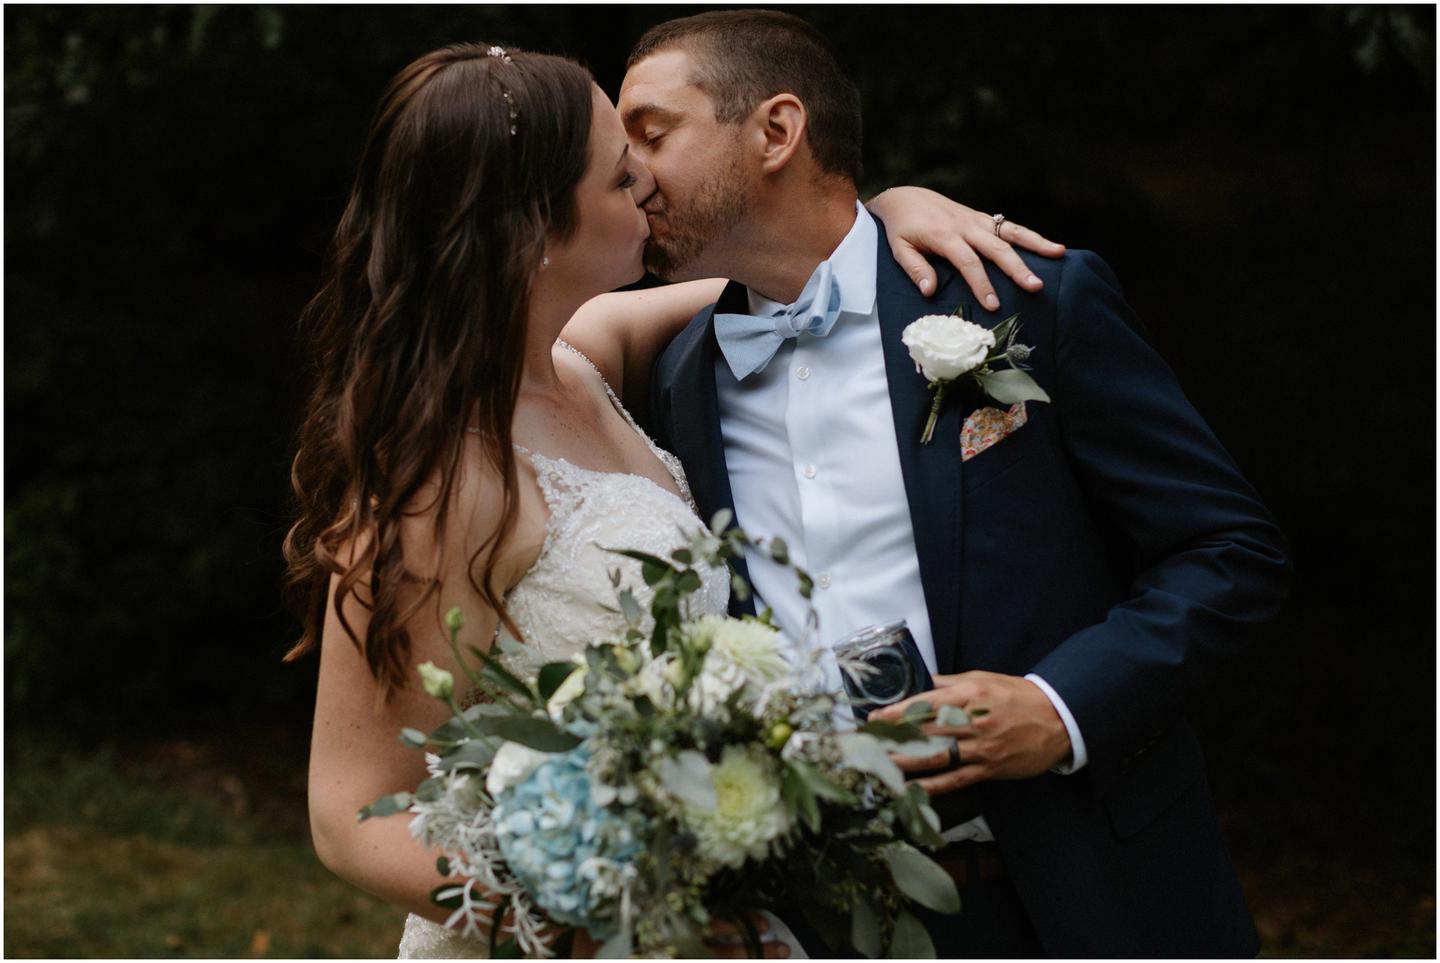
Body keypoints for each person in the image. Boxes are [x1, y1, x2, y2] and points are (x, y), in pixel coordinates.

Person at [282, 42, 1065, 959]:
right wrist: (594, 910)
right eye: (621, 177)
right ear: (537, 224)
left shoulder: (586, 359)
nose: (648, 189)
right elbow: (347, 818)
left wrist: (890, 209)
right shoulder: (439, 477)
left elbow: (817, 271)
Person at [630, 10, 1292, 958]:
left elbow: (1231, 552)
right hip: (834, 920)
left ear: (776, 131)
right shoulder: (679, 377)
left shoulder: (1022, 299)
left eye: (653, 134)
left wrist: (1061, 706)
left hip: (1089, 891)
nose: (633, 171)